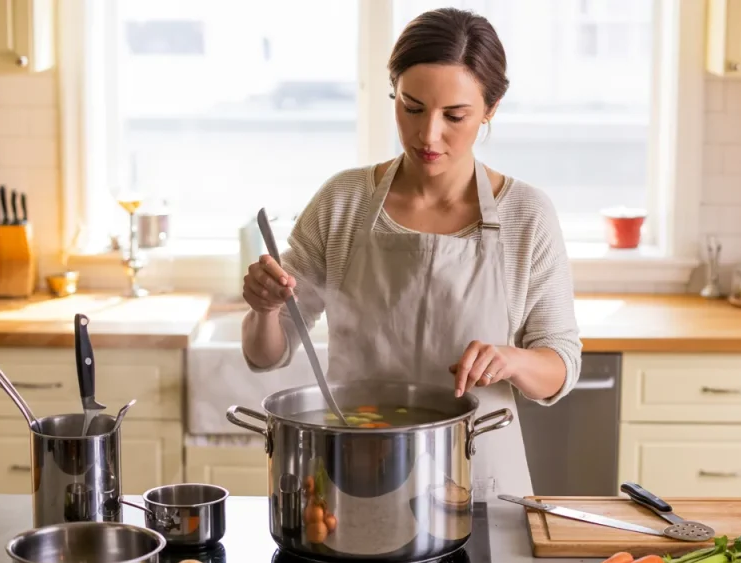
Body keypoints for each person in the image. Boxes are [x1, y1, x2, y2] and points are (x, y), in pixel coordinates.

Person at [241, 7, 581, 499]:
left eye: (455, 116)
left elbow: (560, 366)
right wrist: (265, 309)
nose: (428, 135)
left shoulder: (527, 215)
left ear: (491, 108)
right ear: (394, 94)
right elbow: (265, 354)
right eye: (412, 107)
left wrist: (511, 360)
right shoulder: (344, 202)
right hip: (354, 477)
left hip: (478, 481)